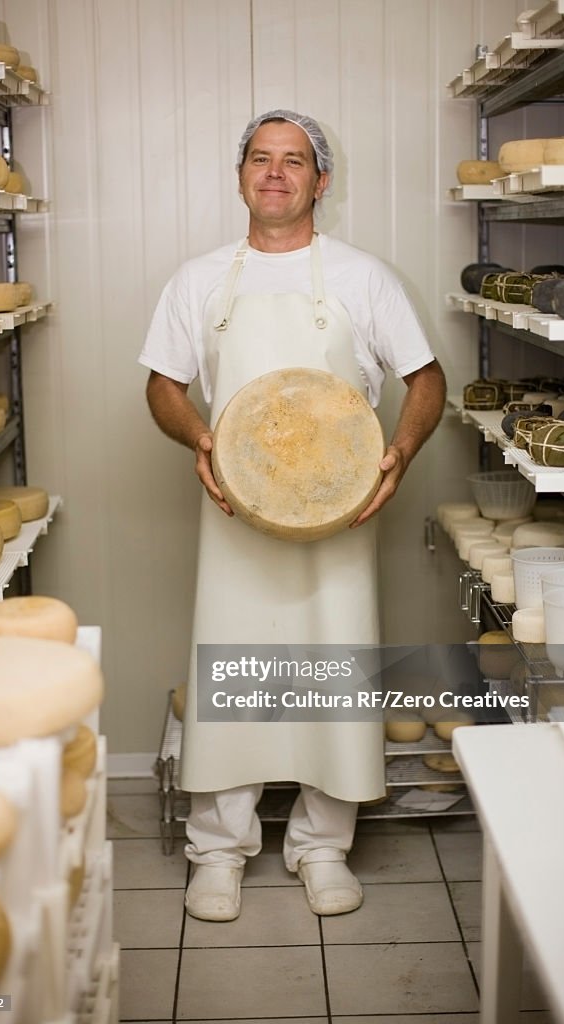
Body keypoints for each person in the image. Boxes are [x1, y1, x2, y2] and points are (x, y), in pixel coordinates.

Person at [139, 109, 446, 923]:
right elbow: (163, 386)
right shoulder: (198, 278)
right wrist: (201, 438)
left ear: (321, 180)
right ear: (240, 174)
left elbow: (425, 381)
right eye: (260, 159)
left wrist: (399, 455)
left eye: (294, 161)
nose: (275, 174)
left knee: (331, 673)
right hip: (233, 511)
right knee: (234, 669)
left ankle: (321, 848)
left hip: (338, 516)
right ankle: (219, 851)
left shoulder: (361, 277)